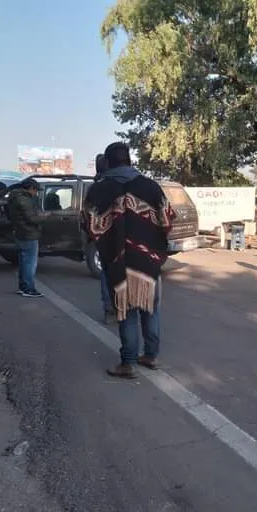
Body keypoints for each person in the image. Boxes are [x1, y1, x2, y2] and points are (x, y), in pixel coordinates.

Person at [86, 142, 175, 379]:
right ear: (129, 160)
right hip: (149, 263)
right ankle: (152, 356)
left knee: (126, 313)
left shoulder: (100, 189)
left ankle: (128, 364)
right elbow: (167, 220)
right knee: (151, 311)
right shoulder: (150, 186)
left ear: (107, 162)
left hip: (119, 263)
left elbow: (89, 225)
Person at [8, 178, 46, 298]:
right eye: (35, 190)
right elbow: (32, 219)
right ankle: (29, 289)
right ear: (30, 188)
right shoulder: (25, 200)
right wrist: (44, 217)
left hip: (20, 233)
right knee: (30, 263)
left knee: (23, 262)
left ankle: (23, 287)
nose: (36, 193)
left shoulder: (14, 198)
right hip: (29, 234)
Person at [90, 153, 116, 322]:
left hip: (102, 239)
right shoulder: (118, 185)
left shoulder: (94, 187)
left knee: (106, 274)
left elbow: (87, 215)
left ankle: (109, 310)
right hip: (121, 237)